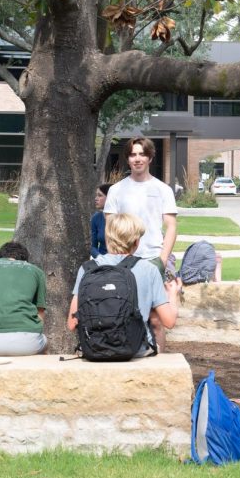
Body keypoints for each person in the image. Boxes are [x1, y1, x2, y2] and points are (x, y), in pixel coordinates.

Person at [68, 213, 180, 353]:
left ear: (108, 239)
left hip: (95, 350)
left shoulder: (87, 269)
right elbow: (169, 322)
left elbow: (72, 324)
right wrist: (173, 295)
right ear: (136, 242)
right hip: (137, 350)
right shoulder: (149, 270)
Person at [103, 136, 177, 279]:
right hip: (122, 260)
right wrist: (114, 257)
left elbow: (171, 227)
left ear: (150, 158)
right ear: (128, 159)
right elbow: (109, 227)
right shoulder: (116, 190)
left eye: (142, 154)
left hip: (153, 259)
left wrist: (162, 259)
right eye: (132, 155)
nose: (137, 159)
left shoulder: (163, 189)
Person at [89, 183, 111, 258]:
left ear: (110, 197)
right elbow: (93, 247)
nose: (96, 198)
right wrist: (100, 258)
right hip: (102, 262)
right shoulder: (96, 218)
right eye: (96, 195)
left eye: (100, 195)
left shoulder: (122, 218)